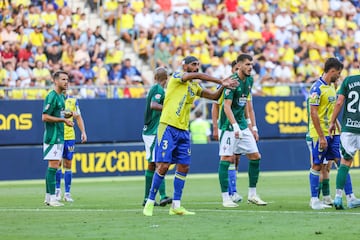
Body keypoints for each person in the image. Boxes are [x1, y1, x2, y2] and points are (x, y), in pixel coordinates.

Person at [143, 56, 238, 216]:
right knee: (164, 165)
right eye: (193, 64)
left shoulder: (194, 87)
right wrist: (221, 81)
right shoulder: (177, 77)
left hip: (183, 130)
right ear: (185, 66)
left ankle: (176, 205)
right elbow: (197, 76)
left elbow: (213, 97)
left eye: (198, 64)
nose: (196, 67)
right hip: (168, 126)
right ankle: (150, 202)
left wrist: (224, 87)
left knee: (184, 166)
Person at [307, 57, 360, 210]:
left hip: (334, 134)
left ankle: (350, 196)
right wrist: (322, 136)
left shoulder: (331, 87)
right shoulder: (316, 88)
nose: (339, 75)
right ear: (331, 71)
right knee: (317, 165)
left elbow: (331, 112)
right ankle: (314, 200)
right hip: (319, 134)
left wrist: (337, 126)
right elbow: (314, 114)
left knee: (342, 161)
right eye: (338, 72)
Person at [217, 54, 267, 207]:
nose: (250, 67)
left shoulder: (250, 80)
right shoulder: (232, 82)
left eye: (251, 64)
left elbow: (245, 104)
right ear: (238, 66)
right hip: (228, 126)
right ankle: (226, 198)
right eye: (247, 64)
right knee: (226, 159)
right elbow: (226, 106)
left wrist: (251, 125)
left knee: (255, 156)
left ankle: (252, 194)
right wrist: (235, 126)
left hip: (242, 125)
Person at [212, 60, 242, 204]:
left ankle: (234, 190)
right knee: (227, 157)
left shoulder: (243, 84)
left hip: (238, 126)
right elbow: (215, 106)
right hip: (226, 126)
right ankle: (228, 192)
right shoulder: (223, 85)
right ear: (232, 70)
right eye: (236, 68)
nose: (238, 71)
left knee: (236, 158)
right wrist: (215, 127)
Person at [329, 69, 360, 210]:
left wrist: (332, 122)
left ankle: (337, 197)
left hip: (348, 128)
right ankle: (350, 199)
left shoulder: (348, 80)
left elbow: (339, 102)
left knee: (345, 163)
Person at [42, 71, 73, 207]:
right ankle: (53, 198)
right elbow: (44, 117)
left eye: (67, 79)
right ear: (55, 81)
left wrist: (67, 115)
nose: (66, 82)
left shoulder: (61, 97)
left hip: (59, 136)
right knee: (53, 166)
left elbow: (57, 113)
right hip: (53, 136)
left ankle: (48, 197)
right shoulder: (52, 96)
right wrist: (62, 120)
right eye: (63, 79)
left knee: (54, 166)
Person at [142, 67, 172, 207]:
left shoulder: (154, 88)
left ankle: (147, 198)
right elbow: (154, 105)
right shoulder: (159, 90)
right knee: (160, 163)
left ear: (155, 77)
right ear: (166, 78)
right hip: (153, 131)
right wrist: (168, 108)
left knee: (152, 164)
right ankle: (164, 196)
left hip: (150, 131)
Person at [55, 93, 87, 202]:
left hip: (69, 137)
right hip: (58, 135)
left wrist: (83, 132)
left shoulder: (73, 101)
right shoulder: (54, 99)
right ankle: (57, 191)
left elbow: (78, 117)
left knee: (68, 163)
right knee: (57, 163)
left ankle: (67, 193)